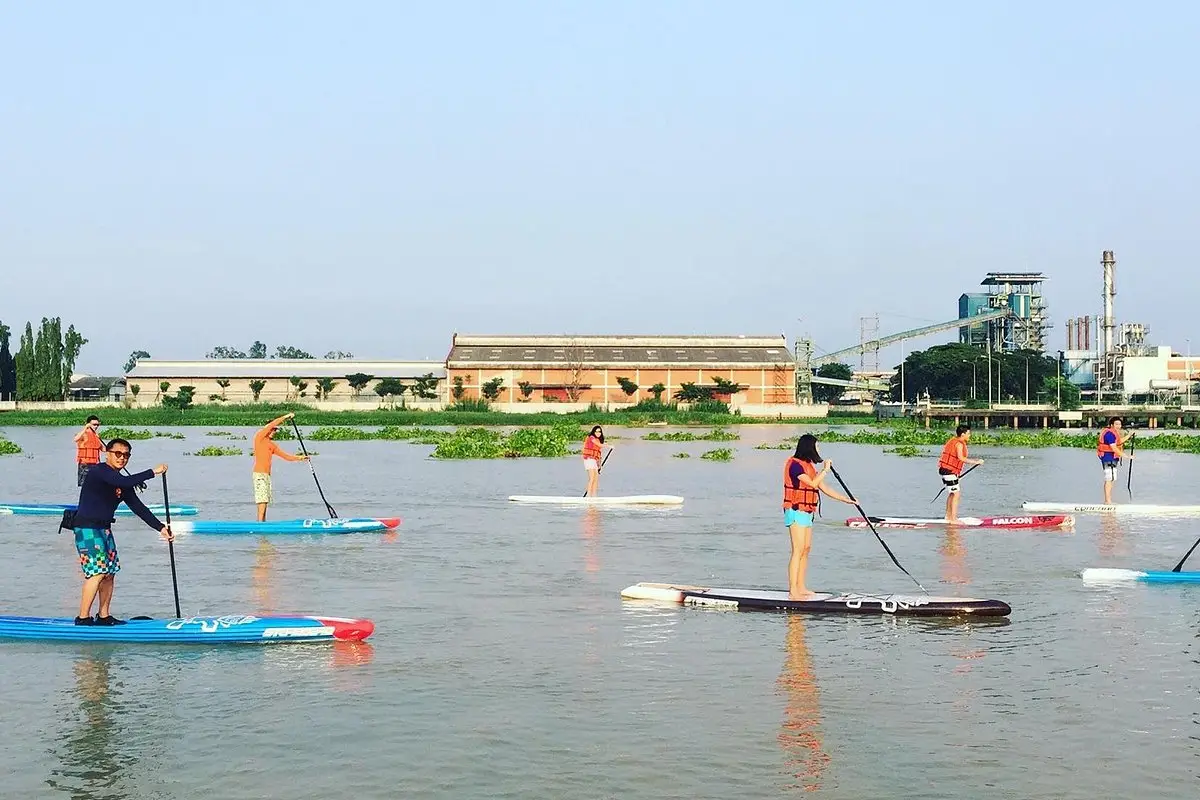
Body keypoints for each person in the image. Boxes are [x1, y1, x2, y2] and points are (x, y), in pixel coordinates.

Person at [70, 438, 171, 625]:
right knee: (97, 572)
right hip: (86, 528)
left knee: (110, 572)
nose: (122, 458)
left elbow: (138, 507)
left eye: (126, 455)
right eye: (118, 454)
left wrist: (161, 528)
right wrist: (152, 472)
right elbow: (123, 480)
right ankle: (83, 618)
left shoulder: (122, 484)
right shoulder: (99, 471)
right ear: (108, 453)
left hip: (104, 529)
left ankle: (104, 616)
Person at [783, 434, 856, 600]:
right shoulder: (795, 466)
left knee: (806, 549)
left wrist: (846, 500)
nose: (819, 449)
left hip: (807, 512)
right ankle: (793, 590)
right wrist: (825, 470)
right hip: (795, 511)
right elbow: (813, 484)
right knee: (797, 550)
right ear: (809, 447)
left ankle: (801, 586)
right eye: (817, 446)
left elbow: (823, 487)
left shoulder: (808, 466)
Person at [253, 413, 308, 521]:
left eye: (275, 430)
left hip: (267, 475)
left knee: (265, 500)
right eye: (273, 429)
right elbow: (273, 423)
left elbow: (286, 456)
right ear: (267, 429)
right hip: (259, 474)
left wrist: (301, 458)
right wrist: (286, 417)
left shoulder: (271, 445)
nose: (274, 432)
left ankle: (263, 523)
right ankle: (259, 525)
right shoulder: (259, 438)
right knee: (262, 500)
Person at [937, 424, 985, 523]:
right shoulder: (958, 444)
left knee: (952, 493)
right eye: (968, 434)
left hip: (947, 470)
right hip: (949, 471)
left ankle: (948, 516)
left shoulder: (954, 441)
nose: (969, 436)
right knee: (956, 494)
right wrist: (976, 462)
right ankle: (953, 519)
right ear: (963, 434)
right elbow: (961, 458)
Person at [1098, 416, 1134, 504]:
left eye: (1120, 424)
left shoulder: (1114, 433)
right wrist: (1126, 456)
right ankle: (1107, 501)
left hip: (1112, 458)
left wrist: (1129, 435)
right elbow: (1114, 448)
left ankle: (1108, 500)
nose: (1118, 426)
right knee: (1109, 478)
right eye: (1116, 424)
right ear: (1111, 425)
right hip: (1108, 458)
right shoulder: (1109, 434)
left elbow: (1119, 442)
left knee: (1112, 478)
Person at [73, 415, 106, 487]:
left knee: (96, 485)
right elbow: (75, 439)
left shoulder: (96, 436)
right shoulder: (83, 434)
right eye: (94, 425)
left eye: (98, 425)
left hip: (95, 465)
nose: (96, 426)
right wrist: (85, 428)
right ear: (88, 424)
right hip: (85, 464)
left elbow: (103, 449)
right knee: (85, 486)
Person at [582, 425, 608, 497]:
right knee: (592, 477)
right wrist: (609, 446)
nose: (598, 433)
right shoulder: (591, 438)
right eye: (596, 431)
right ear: (593, 432)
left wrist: (599, 465)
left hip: (594, 461)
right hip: (589, 459)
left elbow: (599, 456)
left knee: (596, 478)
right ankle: (589, 496)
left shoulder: (598, 440)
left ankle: (594, 495)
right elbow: (599, 445)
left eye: (599, 432)